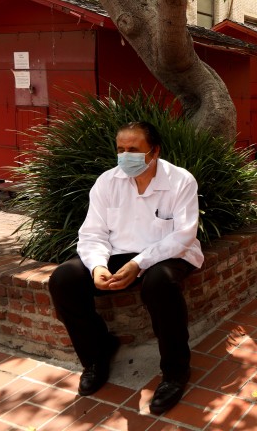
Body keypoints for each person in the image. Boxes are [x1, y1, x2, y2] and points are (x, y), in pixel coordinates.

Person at [48, 121, 203, 415]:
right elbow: (92, 233)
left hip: (169, 252)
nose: (125, 156)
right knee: (63, 279)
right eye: (120, 149)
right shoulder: (107, 182)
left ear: (154, 151)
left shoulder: (180, 180)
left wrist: (139, 264)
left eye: (134, 149)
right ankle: (97, 353)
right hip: (120, 252)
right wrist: (96, 267)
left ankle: (175, 371)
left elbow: (184, 234)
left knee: (159, 283)